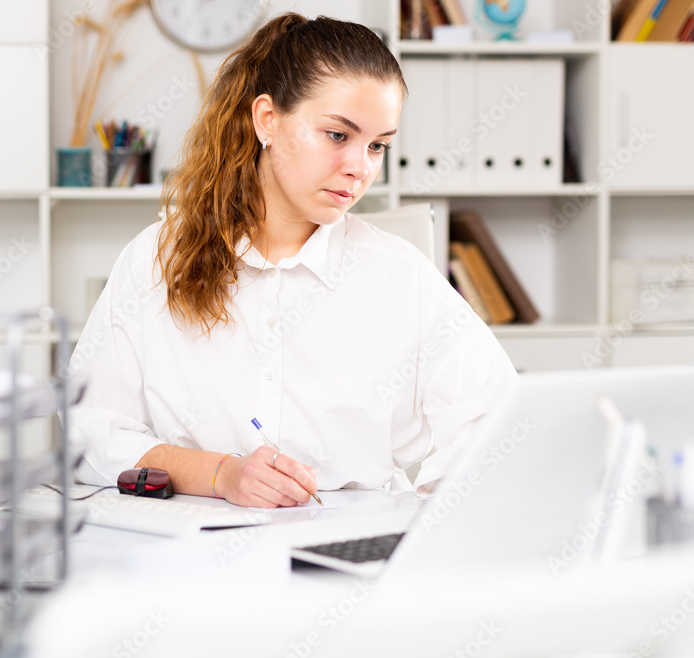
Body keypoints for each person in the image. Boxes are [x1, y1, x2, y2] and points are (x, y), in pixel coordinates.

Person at [68, 13, 518, 508]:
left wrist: (427, 525)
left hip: (352, 539)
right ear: (268, 120)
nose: (360, 167)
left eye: (378, 146)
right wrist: (219, 473)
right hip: (192, 539)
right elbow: (88, 432)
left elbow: (497, 422)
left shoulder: (400, 275)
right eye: (338, 135)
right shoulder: (158, 259)